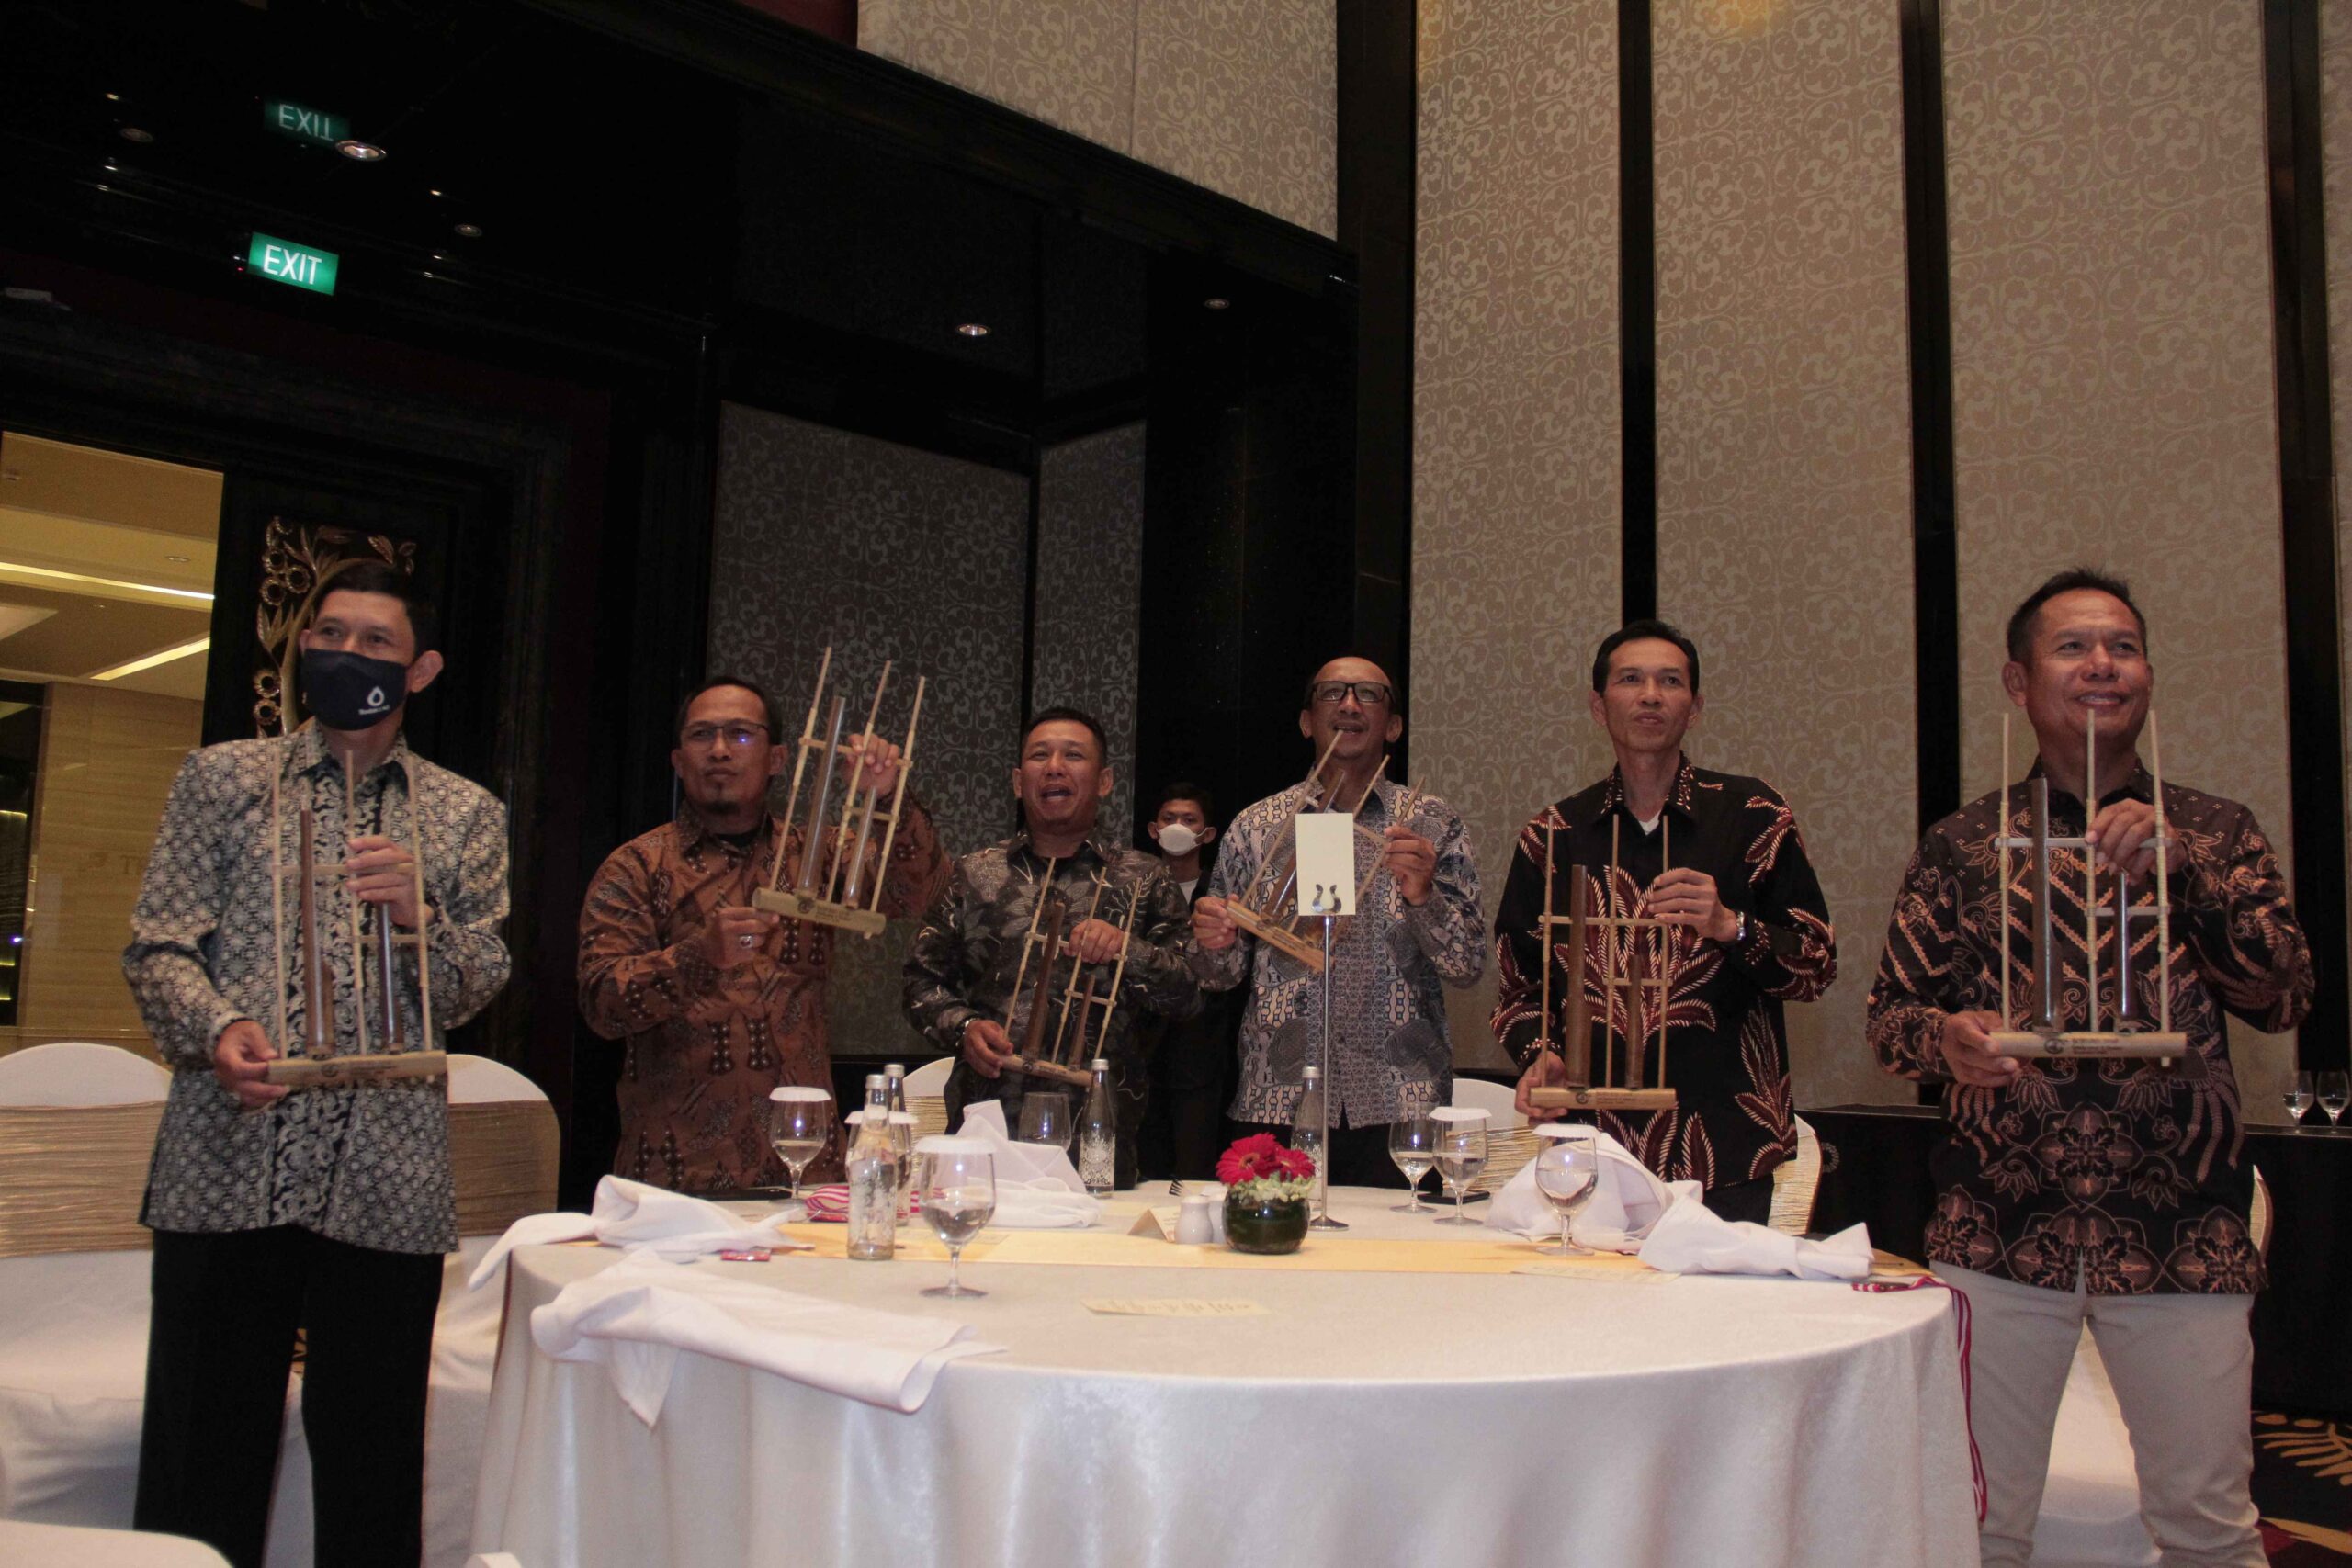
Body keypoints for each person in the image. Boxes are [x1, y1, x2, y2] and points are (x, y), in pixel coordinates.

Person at [1866, 570, 2312, 1568]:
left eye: (2123, 646)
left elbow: (2284, 995)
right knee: (1975, 1524)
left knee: (2207, 1526)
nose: (2102, 664)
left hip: (2181, 1226)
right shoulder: (1963, 842)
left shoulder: (2216, 830)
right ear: (2018, 682)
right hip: (1996, 1224)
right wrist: (1944, 1039)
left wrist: (2189, 874)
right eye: (2072, 647)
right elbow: (1889, 1019)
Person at [123, 559, 512, 1568]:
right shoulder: (222, 780)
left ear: (420, 670)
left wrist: (422, 919)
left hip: (385, 1175)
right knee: (201, 1462)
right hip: (225, 1161)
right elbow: (158, 945)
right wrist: (217, 1030)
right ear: (303, 647)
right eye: (330, 634)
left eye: (376, 642)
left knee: (372, 1468)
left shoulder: (463, 812)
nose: (346, 655)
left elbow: (478, 980)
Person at [1498, 619, 1836, 1222]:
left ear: (1695, 708)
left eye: (1670, 681)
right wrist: (1540, 1053)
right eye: (1631, 679)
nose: (1651, 695)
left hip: (1726, 1145)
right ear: (1599, 706)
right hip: (1590, 1145)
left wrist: (1732, 925)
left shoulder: (1755, 815)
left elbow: (1816, 965)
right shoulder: (1553, 836)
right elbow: (1520, 987)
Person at [579, 674, 948, 1192]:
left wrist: (887, 797)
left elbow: (919, 893)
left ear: (776, 758)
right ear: (678, 761)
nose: (720, 750)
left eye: (740, 733)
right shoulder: (637, 866)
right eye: (702, 735)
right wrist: (697, 956)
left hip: (806, 1162)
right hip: (678, 1170)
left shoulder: (814, 857)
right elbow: (602, 1005)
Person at [1192, 658, 1485, 1186]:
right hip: (1278, 1097)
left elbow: (1467, 966)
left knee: (1399, 1240)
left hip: (1401, 1102)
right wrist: (1213, 940)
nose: (1349, 704)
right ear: (1307, 721)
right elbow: (1220, 976)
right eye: (1332, 693)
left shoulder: (1432, 824)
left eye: (1368, 694)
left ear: (1393, 726)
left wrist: (1424, 897)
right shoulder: (1256, 827)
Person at [902, 707, 1199, 1189]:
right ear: (1019, 781)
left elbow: (1188, 994)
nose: (1055, 767)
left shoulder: (1144, 880)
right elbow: (920, 982)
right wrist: (965, 1027)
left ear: (1104, 781)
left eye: (1073, 756)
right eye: (1040, 756)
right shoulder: (974, 874)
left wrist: (1127, 948)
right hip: (986, 1131)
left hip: (1098, 1139)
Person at [1136, 782, 1245, 1180]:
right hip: (1143, 1049)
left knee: (1194, 1168)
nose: (1177, 827)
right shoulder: (1136, 892)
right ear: (1154, 829)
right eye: (1169, 819)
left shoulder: (1221, 894)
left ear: (1208, 833)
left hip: (1204, 1053)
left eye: (1189, 820)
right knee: (1146, 1164)